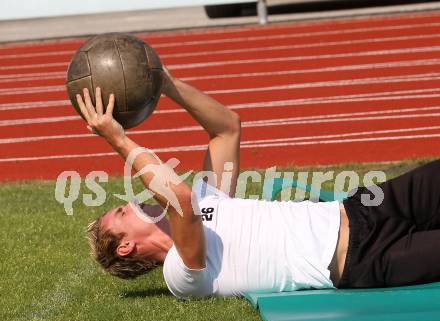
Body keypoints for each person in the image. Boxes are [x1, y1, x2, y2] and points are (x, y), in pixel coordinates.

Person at [78, 67, 440, 299]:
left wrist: (166, 83)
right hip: (363, 257)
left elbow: (226, 128)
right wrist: (118, 140)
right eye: (123, 211)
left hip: (363, 206)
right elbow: (181, 202)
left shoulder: (210, 197)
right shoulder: (180, 274)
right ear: (126, 247)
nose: (134, 202)